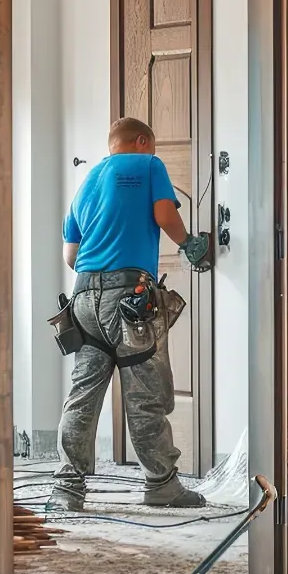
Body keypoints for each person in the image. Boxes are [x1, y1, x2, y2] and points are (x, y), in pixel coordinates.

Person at [49, 117, 208, 513]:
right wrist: (190, 245)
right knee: (146, 394)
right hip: (130, 300)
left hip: (83, 299)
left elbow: (71, 255)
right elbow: (165, 215)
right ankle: (162, 485)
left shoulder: (87, 181)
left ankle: (67, 489)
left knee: (83, 395)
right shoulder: (149, 164)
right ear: (142, 141)